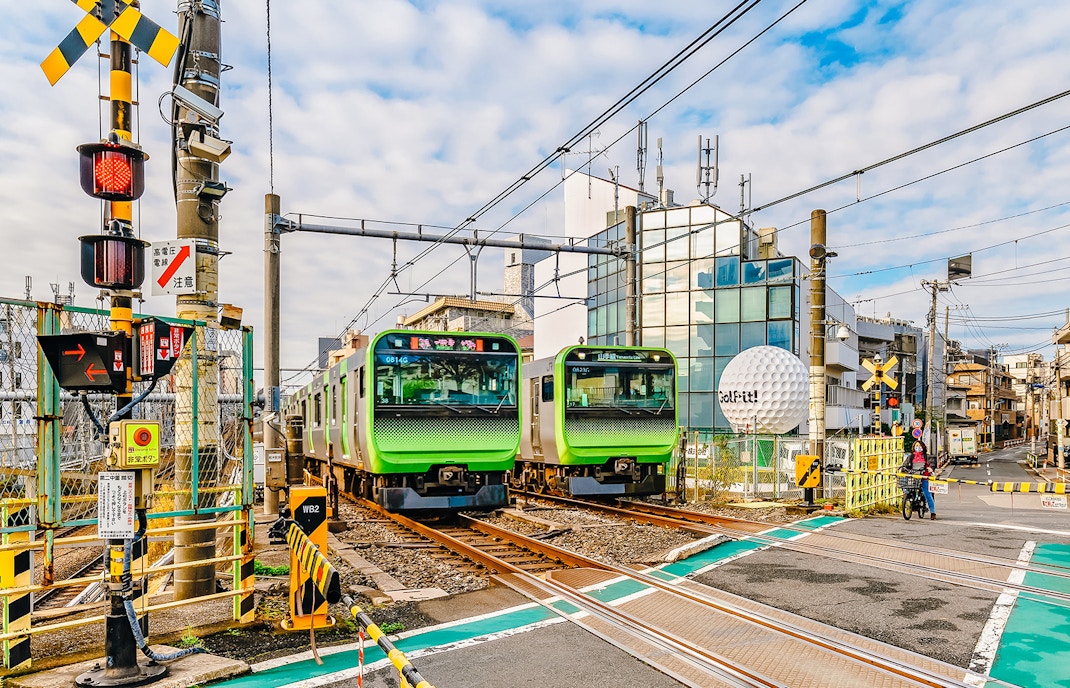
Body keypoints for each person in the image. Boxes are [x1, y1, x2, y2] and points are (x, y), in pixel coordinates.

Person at [910, 440, 937, 520]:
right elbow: (906, 464)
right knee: (908, 490)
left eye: (919, 445)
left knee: (928, 495)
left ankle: (933, 512)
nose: (918, 447)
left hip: (924, 477)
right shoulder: (911, 456)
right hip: (914, 477)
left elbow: (932, 463)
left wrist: (930, 468)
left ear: (923, 447)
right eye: (916, 446)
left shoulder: (926, 456)